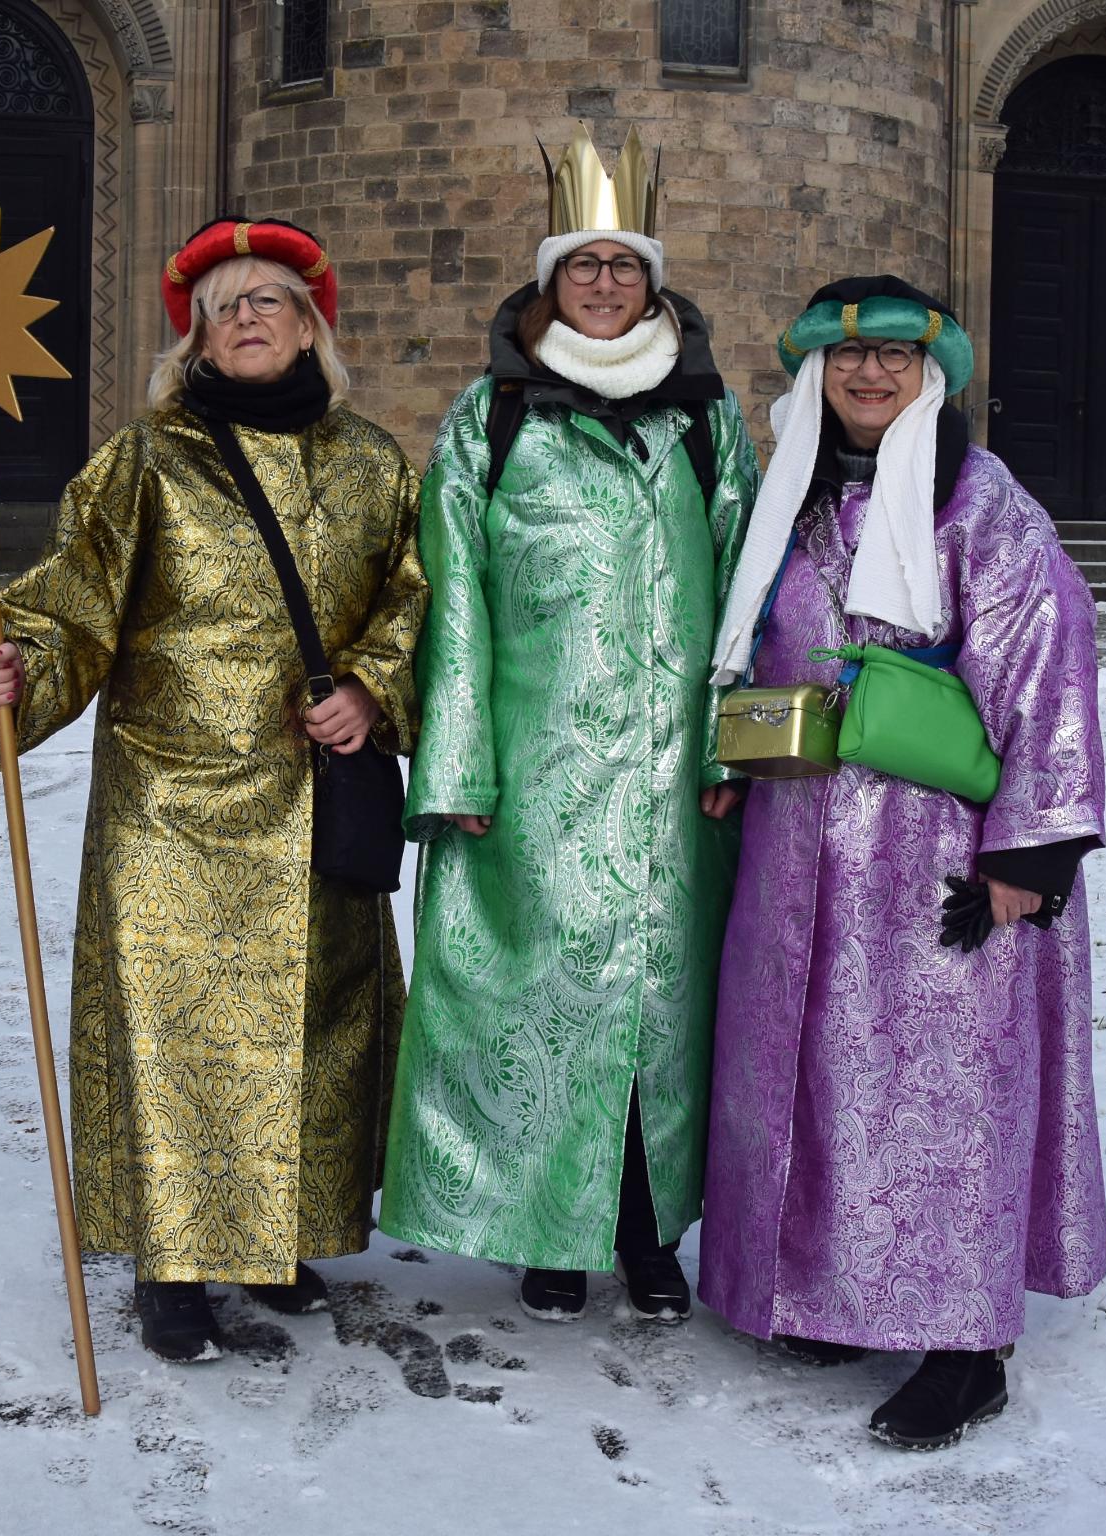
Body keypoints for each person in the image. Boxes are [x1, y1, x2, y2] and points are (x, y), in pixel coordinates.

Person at [0, 219, 427, 1362]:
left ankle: (278, 1240)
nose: (249, 317)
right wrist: (12, 671)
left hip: (314, 795)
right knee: (180, 1036)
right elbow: (68, 605)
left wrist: (369, 687)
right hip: (170, 805)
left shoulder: (372, 461)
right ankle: (173, 1262)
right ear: (195, 339)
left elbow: (414, 597)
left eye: (270, 299)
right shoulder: (145, 460)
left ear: (311, 324)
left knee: (315, 1028)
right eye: (225, 305)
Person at [697, 277, 1106, 1448]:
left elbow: (1044, 665)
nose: (866, 377)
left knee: (944, 1087)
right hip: (797, 840)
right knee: (814, 1069)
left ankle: (964, 1344)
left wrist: (1027, 850)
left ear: (932, 378)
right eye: (845, 359)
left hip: (934, 849)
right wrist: (732, 749)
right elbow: (756, 638)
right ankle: (830, 1291)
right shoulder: (791, 499)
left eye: (891, 361)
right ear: (812, 374)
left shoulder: (977, 502)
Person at [379, 125, 759, 1324]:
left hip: (671, 794)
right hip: (538, 782)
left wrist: (729, 750)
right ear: (547, 283)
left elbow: (751, 593)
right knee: (539, 1008)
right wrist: (455, 769)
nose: (603, 284)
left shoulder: (706, 420)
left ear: (655, 282)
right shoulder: (490, 422)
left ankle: (648, 1238)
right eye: (581, 266)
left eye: (624, 266)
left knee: (662, 1009)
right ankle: (547, 1229)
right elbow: (452, 606)